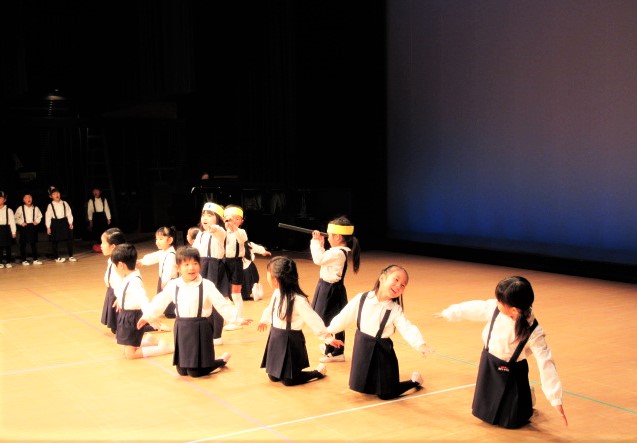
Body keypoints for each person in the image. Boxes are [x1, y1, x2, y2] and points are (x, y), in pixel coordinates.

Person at [434, 276, 568, 429]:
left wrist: (555, 399)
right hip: (489, 361)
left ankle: (527, 395)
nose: (496, 303)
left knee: (512, 420)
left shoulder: (534, 332)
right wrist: (449, 313)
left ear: (514, 309)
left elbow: (546, 364)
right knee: (484, 410)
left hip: (513, 370)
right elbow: (474, 308)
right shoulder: (495, 309)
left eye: (500, 301)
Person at [137, 246, 252, 378]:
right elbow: (160, 301)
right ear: (178, 267)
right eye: (186, 264)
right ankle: (203, 364)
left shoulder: (207, 285)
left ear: (200, 265)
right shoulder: (174, 285)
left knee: (195, 373)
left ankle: (220, 361)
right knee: (182, 371)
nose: (191, 268)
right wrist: (147, 316)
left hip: (201, 327)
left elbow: (221, 304)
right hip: (181, 327)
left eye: (195, 263)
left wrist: (237, 319)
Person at [327, 264, 434, 400]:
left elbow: (407, 327)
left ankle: (415, 381)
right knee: (363, 387)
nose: (398, 286)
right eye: (396, 280)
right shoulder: (362, 298)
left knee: (387, 394)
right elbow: (343, 317)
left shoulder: (394, 309)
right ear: (382, 278)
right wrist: (327, 334)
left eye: (403, 285)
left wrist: (420, 344)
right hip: (362, 347)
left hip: (382, 352)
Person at [257, 256, 343, 386]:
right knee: (273, 377)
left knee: (289, 381)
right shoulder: (276, 293)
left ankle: (318, 372)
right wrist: (264, 320)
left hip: (291, 340)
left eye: (268, 274)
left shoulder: (298, 300)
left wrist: (328, 338)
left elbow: (313, 320)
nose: (267, 277)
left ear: (276, 280)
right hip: (275, 337)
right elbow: (270, 309)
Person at [310, 215, 361, 363]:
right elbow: (323, 258)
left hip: (330, 290)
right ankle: (330, 346)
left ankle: (336, 352)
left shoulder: (338, 253)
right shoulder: (336, 251)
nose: (328, 238)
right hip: (327, 287)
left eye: (329, 235)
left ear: (338, 237)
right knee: (327, 318)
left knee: (330, 320)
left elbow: (318, 259)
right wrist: (320, 245)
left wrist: (315, 242)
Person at [111, 243, 174, 360]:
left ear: (120, 265)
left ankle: (163, 348)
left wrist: (150, 317)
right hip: (126, 315)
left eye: (114, 265)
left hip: (132, 317)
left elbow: (143, 299)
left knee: (131, 354)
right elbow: (124, 291)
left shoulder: (135, 281)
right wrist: (120, 300)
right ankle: (150, 341)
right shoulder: (129, 276)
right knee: (125, 346)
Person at [192, 202, 228, 345]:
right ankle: (207, 331)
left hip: (214, 267)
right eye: (203, 215)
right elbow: (194, 250)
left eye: (210, 215)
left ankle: (217, 335)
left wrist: (213, 227)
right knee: (203, 299)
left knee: (215, 300)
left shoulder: (220, 232)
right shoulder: (200, 234)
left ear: (218, 218)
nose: (205, 218)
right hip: (202, 265)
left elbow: (218, 231)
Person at [137, 226, 179, 319]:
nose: (157, 242)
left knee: (169, 296)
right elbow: (154, 256)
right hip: (163, 279)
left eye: (161, 239)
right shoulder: (163, 252)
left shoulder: (171, 254)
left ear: (170, 240)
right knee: (163, 296)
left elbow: (169, 269)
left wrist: (165, 280)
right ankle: (167, 310)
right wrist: (143, 261)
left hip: (169, 280)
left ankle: (171, 311)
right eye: (156, 239)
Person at [222, 204, 249, 330]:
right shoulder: (222, 232)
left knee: (236, 292)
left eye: (236, 219)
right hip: (223, 262)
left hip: (236, 263)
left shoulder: (241, 232)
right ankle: (228, 318)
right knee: (224, 292)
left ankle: (238, 319)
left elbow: (242, 239)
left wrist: (234, 228)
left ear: (241, 221)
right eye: (229, 218)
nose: (232, 221)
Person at [100, 227, 127, 334]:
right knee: (115, 327)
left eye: (103, 243)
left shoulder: (119, 264)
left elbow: (121, 283)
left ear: (113, 247)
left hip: (118, 294)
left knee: (122, 327)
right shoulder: (111, 260)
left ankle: (153, 326)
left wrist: (120, 297)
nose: (101, 246)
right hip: (112, 291)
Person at [45, 187, 77, 263]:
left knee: (69, 239)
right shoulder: (50, 205)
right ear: (51, 196)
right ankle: (56, 257)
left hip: (64, 222)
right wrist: (48, 227)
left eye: (58, 193)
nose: (56, 195)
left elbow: (69, 213)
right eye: (54, 194)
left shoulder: (65, 203)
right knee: (55, 241)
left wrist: (70, 222)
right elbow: (48, 217)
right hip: (55, 222)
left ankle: (71, 256)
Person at [14, 193, 44, 266]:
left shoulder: (35, 208)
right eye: (26, 198)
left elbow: (40, 216)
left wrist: (36, 221)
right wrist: (21, 222)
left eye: (30, 197)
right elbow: (16, 217)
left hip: (32, 227)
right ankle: (24, 260)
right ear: (23, 200)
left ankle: (35, 259)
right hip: (24, 227)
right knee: (23, 244)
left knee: (33, 243)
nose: (28, 199)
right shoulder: (20, 208)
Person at [87, 187, 111, 252]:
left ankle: (105, 245)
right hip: (95, 217)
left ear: (100, 192)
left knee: (104, 231)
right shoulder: (91, 200)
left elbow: (107, 209)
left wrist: (108, 218)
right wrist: (90, 220)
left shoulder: (103, 199)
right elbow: (89, 211)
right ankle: (99, 246)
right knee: (97, 231)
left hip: (103, 216)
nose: (95, 192)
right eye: (94, 191)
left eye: (97, 191)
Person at [0, 191, 17, 268]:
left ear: (4, 200)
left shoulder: (9, 210)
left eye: (1, 198)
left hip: (6, 229)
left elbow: (12, 221)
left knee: (8, 246)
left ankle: (8, 262)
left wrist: (13, 232)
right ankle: (0, 262)